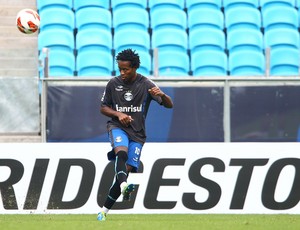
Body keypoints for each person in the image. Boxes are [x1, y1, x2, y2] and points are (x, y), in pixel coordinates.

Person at [97, 49, 173, 221]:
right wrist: (119, 114)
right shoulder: (113, 83)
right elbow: (103, 107)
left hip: (138, 134)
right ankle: (124, 185)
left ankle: (103, 211)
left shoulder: (146, 84)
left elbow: (169, 105)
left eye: (126, 69)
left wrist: (162, 94)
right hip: (117, 127)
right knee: (121, 153)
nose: (122, 73)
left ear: (135, 67)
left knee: (127, 169)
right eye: (120, 69)